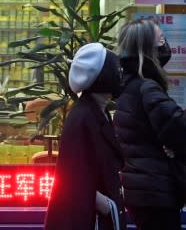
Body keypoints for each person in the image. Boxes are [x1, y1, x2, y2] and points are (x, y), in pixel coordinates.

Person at [114, 19, 186, 230]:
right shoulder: (148, 87)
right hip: (155, 191)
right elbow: (183, 128)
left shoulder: (129, 84)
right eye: (160, 38)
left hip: (142, 190)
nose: (165, 43)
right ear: (147, 47)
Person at [44, 42, 125, 230]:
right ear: (103, 77)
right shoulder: (83, 118)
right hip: (86, 219)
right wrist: (105, 204)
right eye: (116, 70)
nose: (120, 75)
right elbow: (71, 176)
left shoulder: (97, 112)